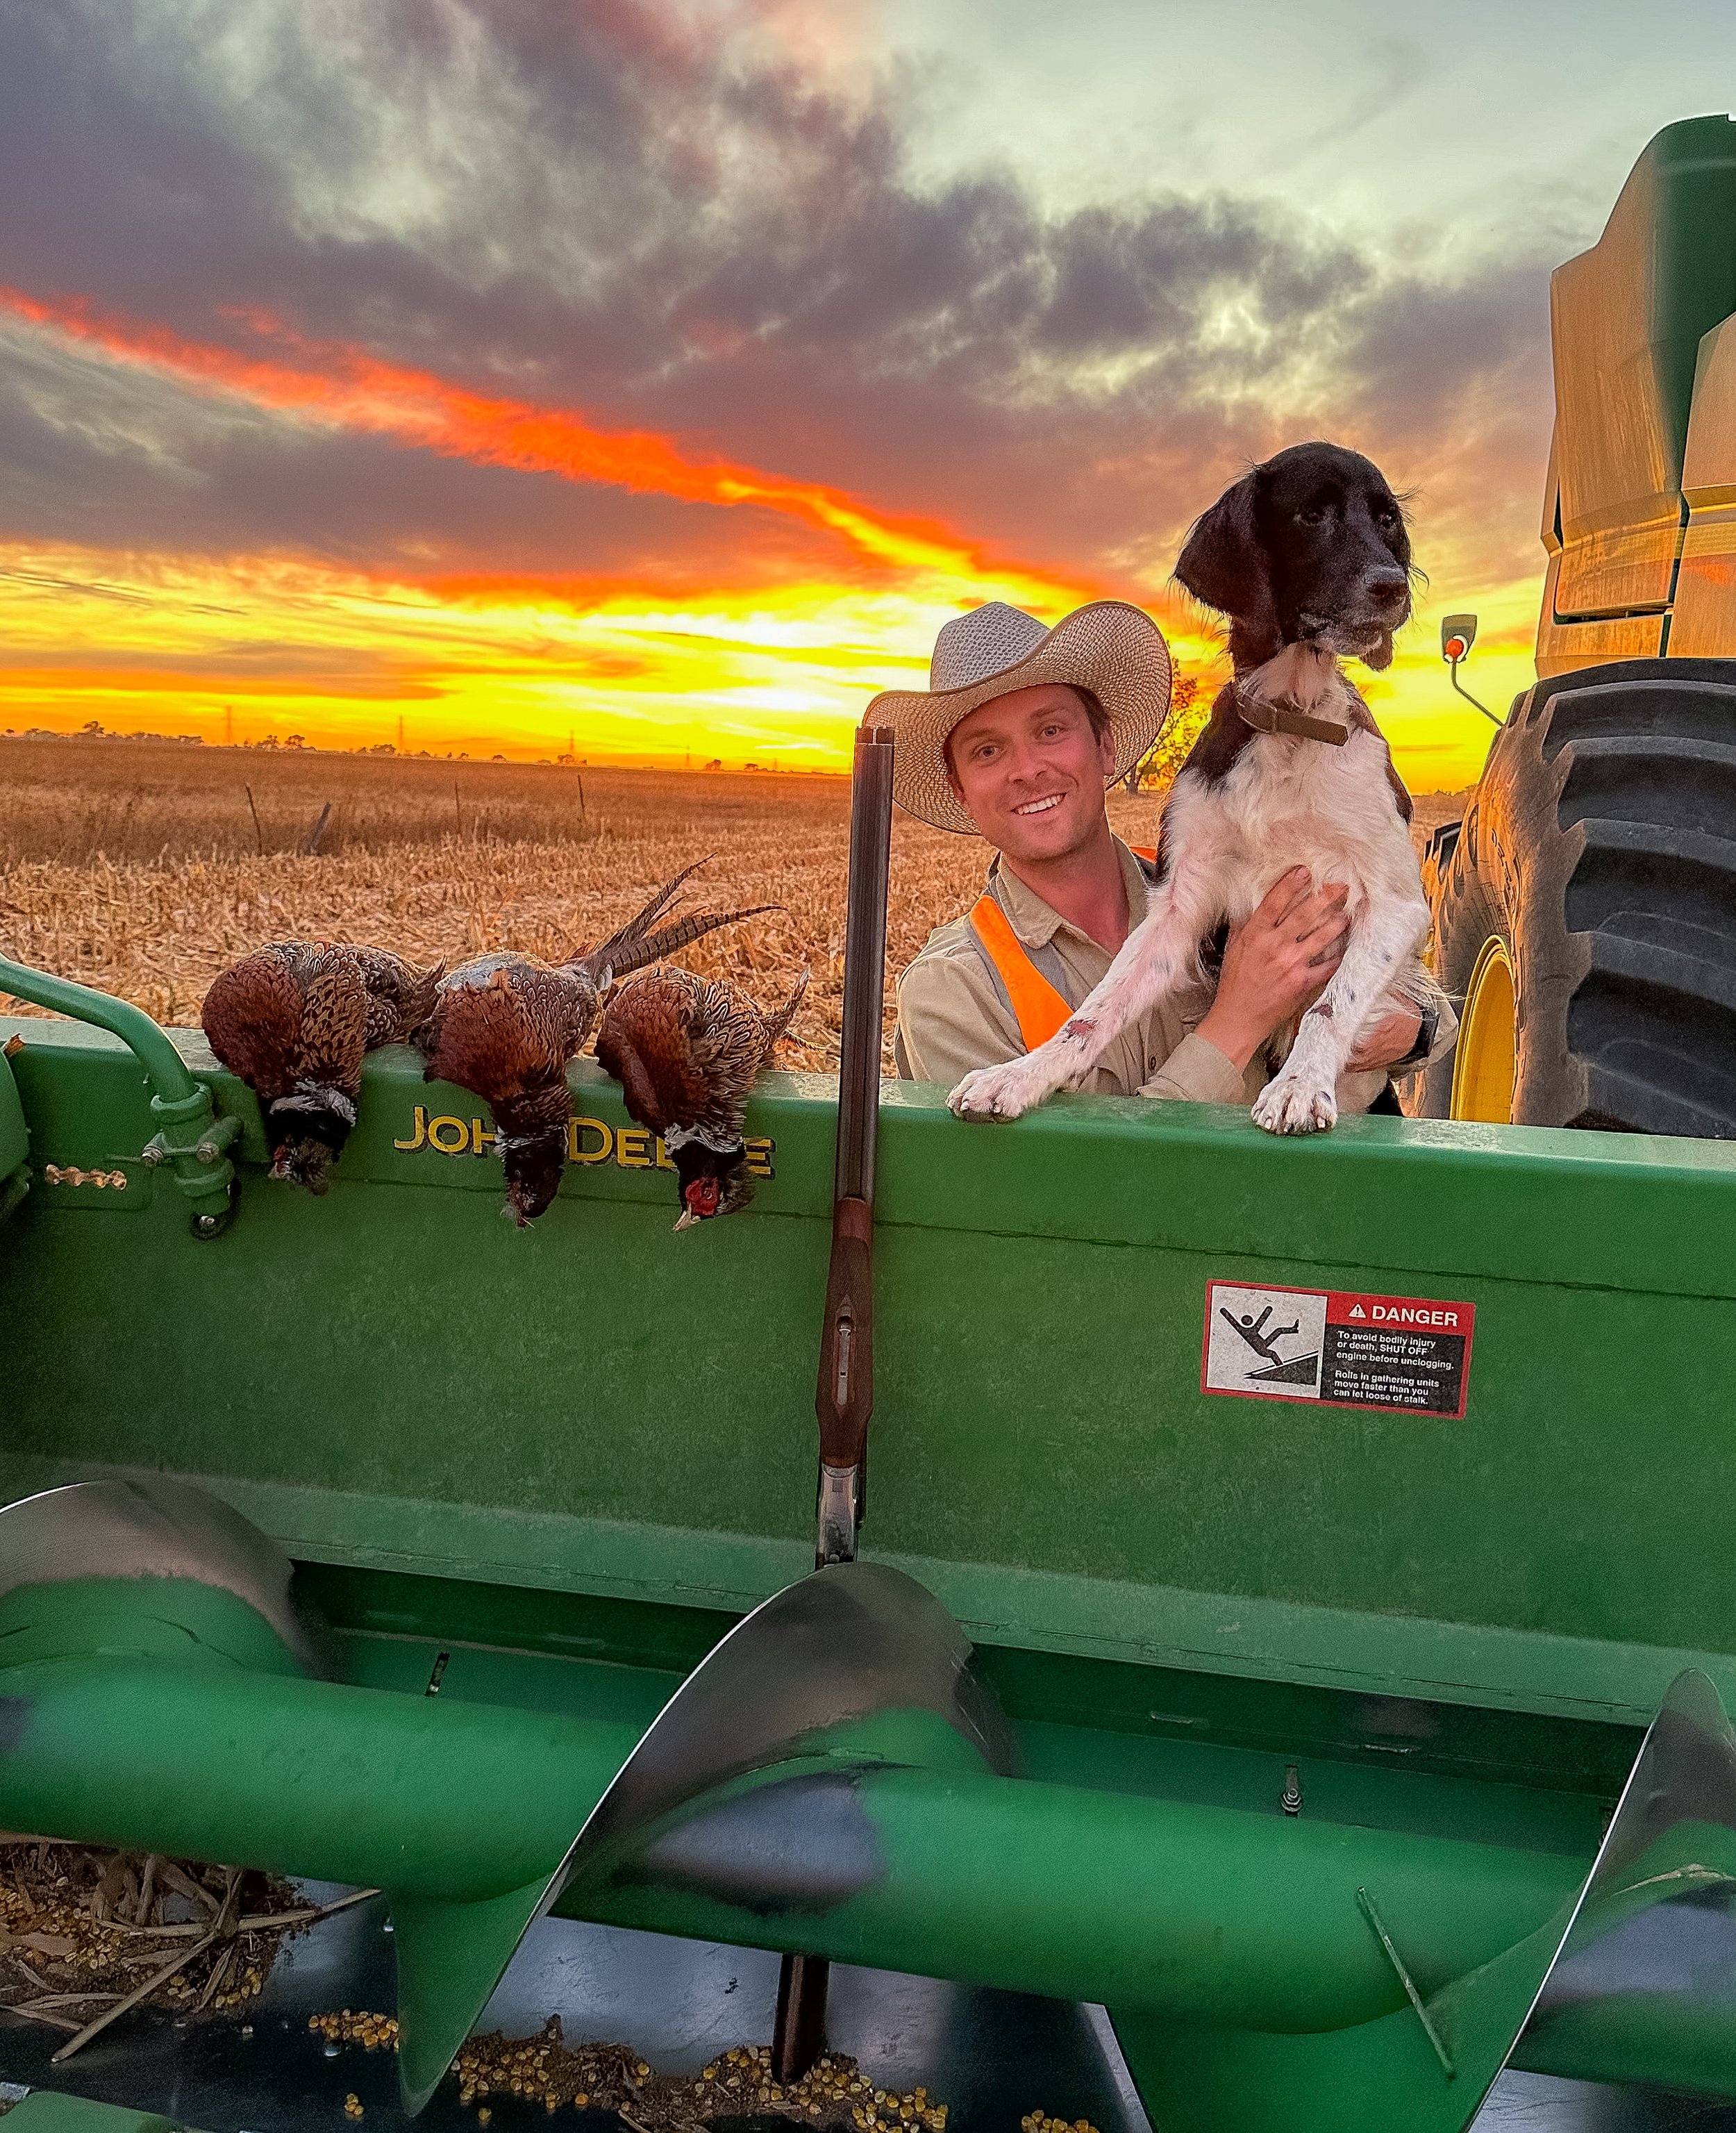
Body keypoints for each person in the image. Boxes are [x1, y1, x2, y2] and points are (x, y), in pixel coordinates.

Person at [871, 599, 1453, 1109]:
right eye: (988, 750)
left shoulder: (1226, 871)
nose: (1028, 770)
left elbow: (1426, 1000)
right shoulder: (954, 989)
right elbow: (1043, 1205)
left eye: (1050, 731)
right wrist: (1236, 1024)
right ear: (961, 791)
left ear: (1105, 746)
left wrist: (1406, 1029)